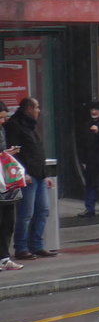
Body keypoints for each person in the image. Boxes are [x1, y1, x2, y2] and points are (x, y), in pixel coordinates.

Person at [7, 97, 56, 260]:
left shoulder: (31, 125)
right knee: (26, 213)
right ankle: (21, 247)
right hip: (27, 175)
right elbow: (14, 152)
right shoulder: (15, 125)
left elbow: (37, 151)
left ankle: (37, 245)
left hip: (38, 174)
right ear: (29, 108)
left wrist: (44, 174)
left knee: (43, 210)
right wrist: (22, 173)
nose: (38, 111)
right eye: (36, 108)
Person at [0, 102, 23, 270]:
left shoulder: (2, 130)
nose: (3, 121)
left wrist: (6, 153)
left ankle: (4, 257)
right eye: (0, 117)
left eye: (4, 117)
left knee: (8, 221)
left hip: (4, 179)